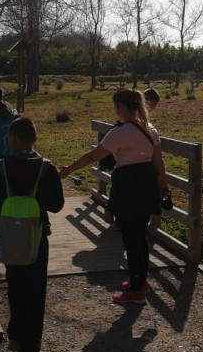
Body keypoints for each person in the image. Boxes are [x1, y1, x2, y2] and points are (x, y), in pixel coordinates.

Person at [59, 88, 170, 304]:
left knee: (131, 239)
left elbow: (93, 155)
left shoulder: (119, 132)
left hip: (128, 189)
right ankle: (140, 281)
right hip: (147, 187)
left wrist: (68, 170)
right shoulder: (150, 129)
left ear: (120, 106)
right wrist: (163, 187)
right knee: (140, 237)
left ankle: (137, 291)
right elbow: (158, 162)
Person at [0, 117, 64, 352]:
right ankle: (31, 351)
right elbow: (57, 205)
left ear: (12, 138)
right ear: (34, 139)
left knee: (15, 286)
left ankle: (16, 337)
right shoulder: (46, 169)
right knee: (35, 292)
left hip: (7, 237)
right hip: (37, 237)